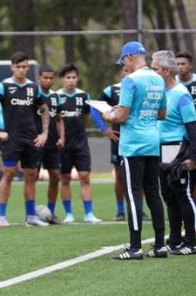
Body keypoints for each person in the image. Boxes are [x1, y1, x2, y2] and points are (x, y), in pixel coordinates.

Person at [103, 41, 167, 260]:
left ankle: (135, 247)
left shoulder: (129, 81)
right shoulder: (159, 79)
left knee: (133, 194)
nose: (124, 66)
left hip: (133, 145)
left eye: (123, 61)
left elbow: (121, 117)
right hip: (152, 141)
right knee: (154, 194)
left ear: (130, 57)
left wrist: (108, 116)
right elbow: (162, 114)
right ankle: (160, 246)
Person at [0, 52, 50, 227]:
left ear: (28, 67)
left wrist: (44, 133)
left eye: (24, 67)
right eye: (18, 67)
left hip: (31, 139)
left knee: (31, 175)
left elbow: (44, 109)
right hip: (11, 139)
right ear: (12, 67)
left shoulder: (33, 87)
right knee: (8, 174)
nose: (21, 70)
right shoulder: (4, 86)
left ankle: (31, 217)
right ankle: (2, 217)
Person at [151, 50, 196, 255]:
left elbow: (192, 126)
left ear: (167, 71)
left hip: (177, 148)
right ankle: (175, 239)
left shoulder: (181, 94)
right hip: (161, 149)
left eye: (155, 69)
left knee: (183, 195)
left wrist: (193, 157)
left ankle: (192, 241)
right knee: (168, 195)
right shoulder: (158, 93)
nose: (152, 72)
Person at [55, 64, 102, 224]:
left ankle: (89, 214)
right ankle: (69, 214)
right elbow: (56, 120)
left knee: (85, 178)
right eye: (68, 77)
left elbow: (86, 117)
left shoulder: (84, 96)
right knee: (65, 179)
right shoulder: (56, 97)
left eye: (74, 77)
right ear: (62, 79)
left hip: (80, 144)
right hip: (63, 146)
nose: (71, 80)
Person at [96, 65, 131, 221]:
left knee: (139, 177)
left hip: (136, 139)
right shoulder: (112, 90)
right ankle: (120, 211)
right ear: (121, 72)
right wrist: (105, 128)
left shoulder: (140, 87)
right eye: (124, 70)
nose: (127, 73)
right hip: (118, 139)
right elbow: (94, 107)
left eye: (130, 71)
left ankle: (138, 210)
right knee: (119, 176)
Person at [35, 66, 65, 225]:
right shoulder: (34, 94)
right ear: (39, 78)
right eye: (45, 78)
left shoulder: (56, 97)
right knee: (31, 177)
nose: (48, 80)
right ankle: (30, 214)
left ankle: (51, 213)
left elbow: (59, 118)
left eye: (51, 78)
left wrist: (62, 137)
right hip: (36, 143)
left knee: (55, 176)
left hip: (53, 144)